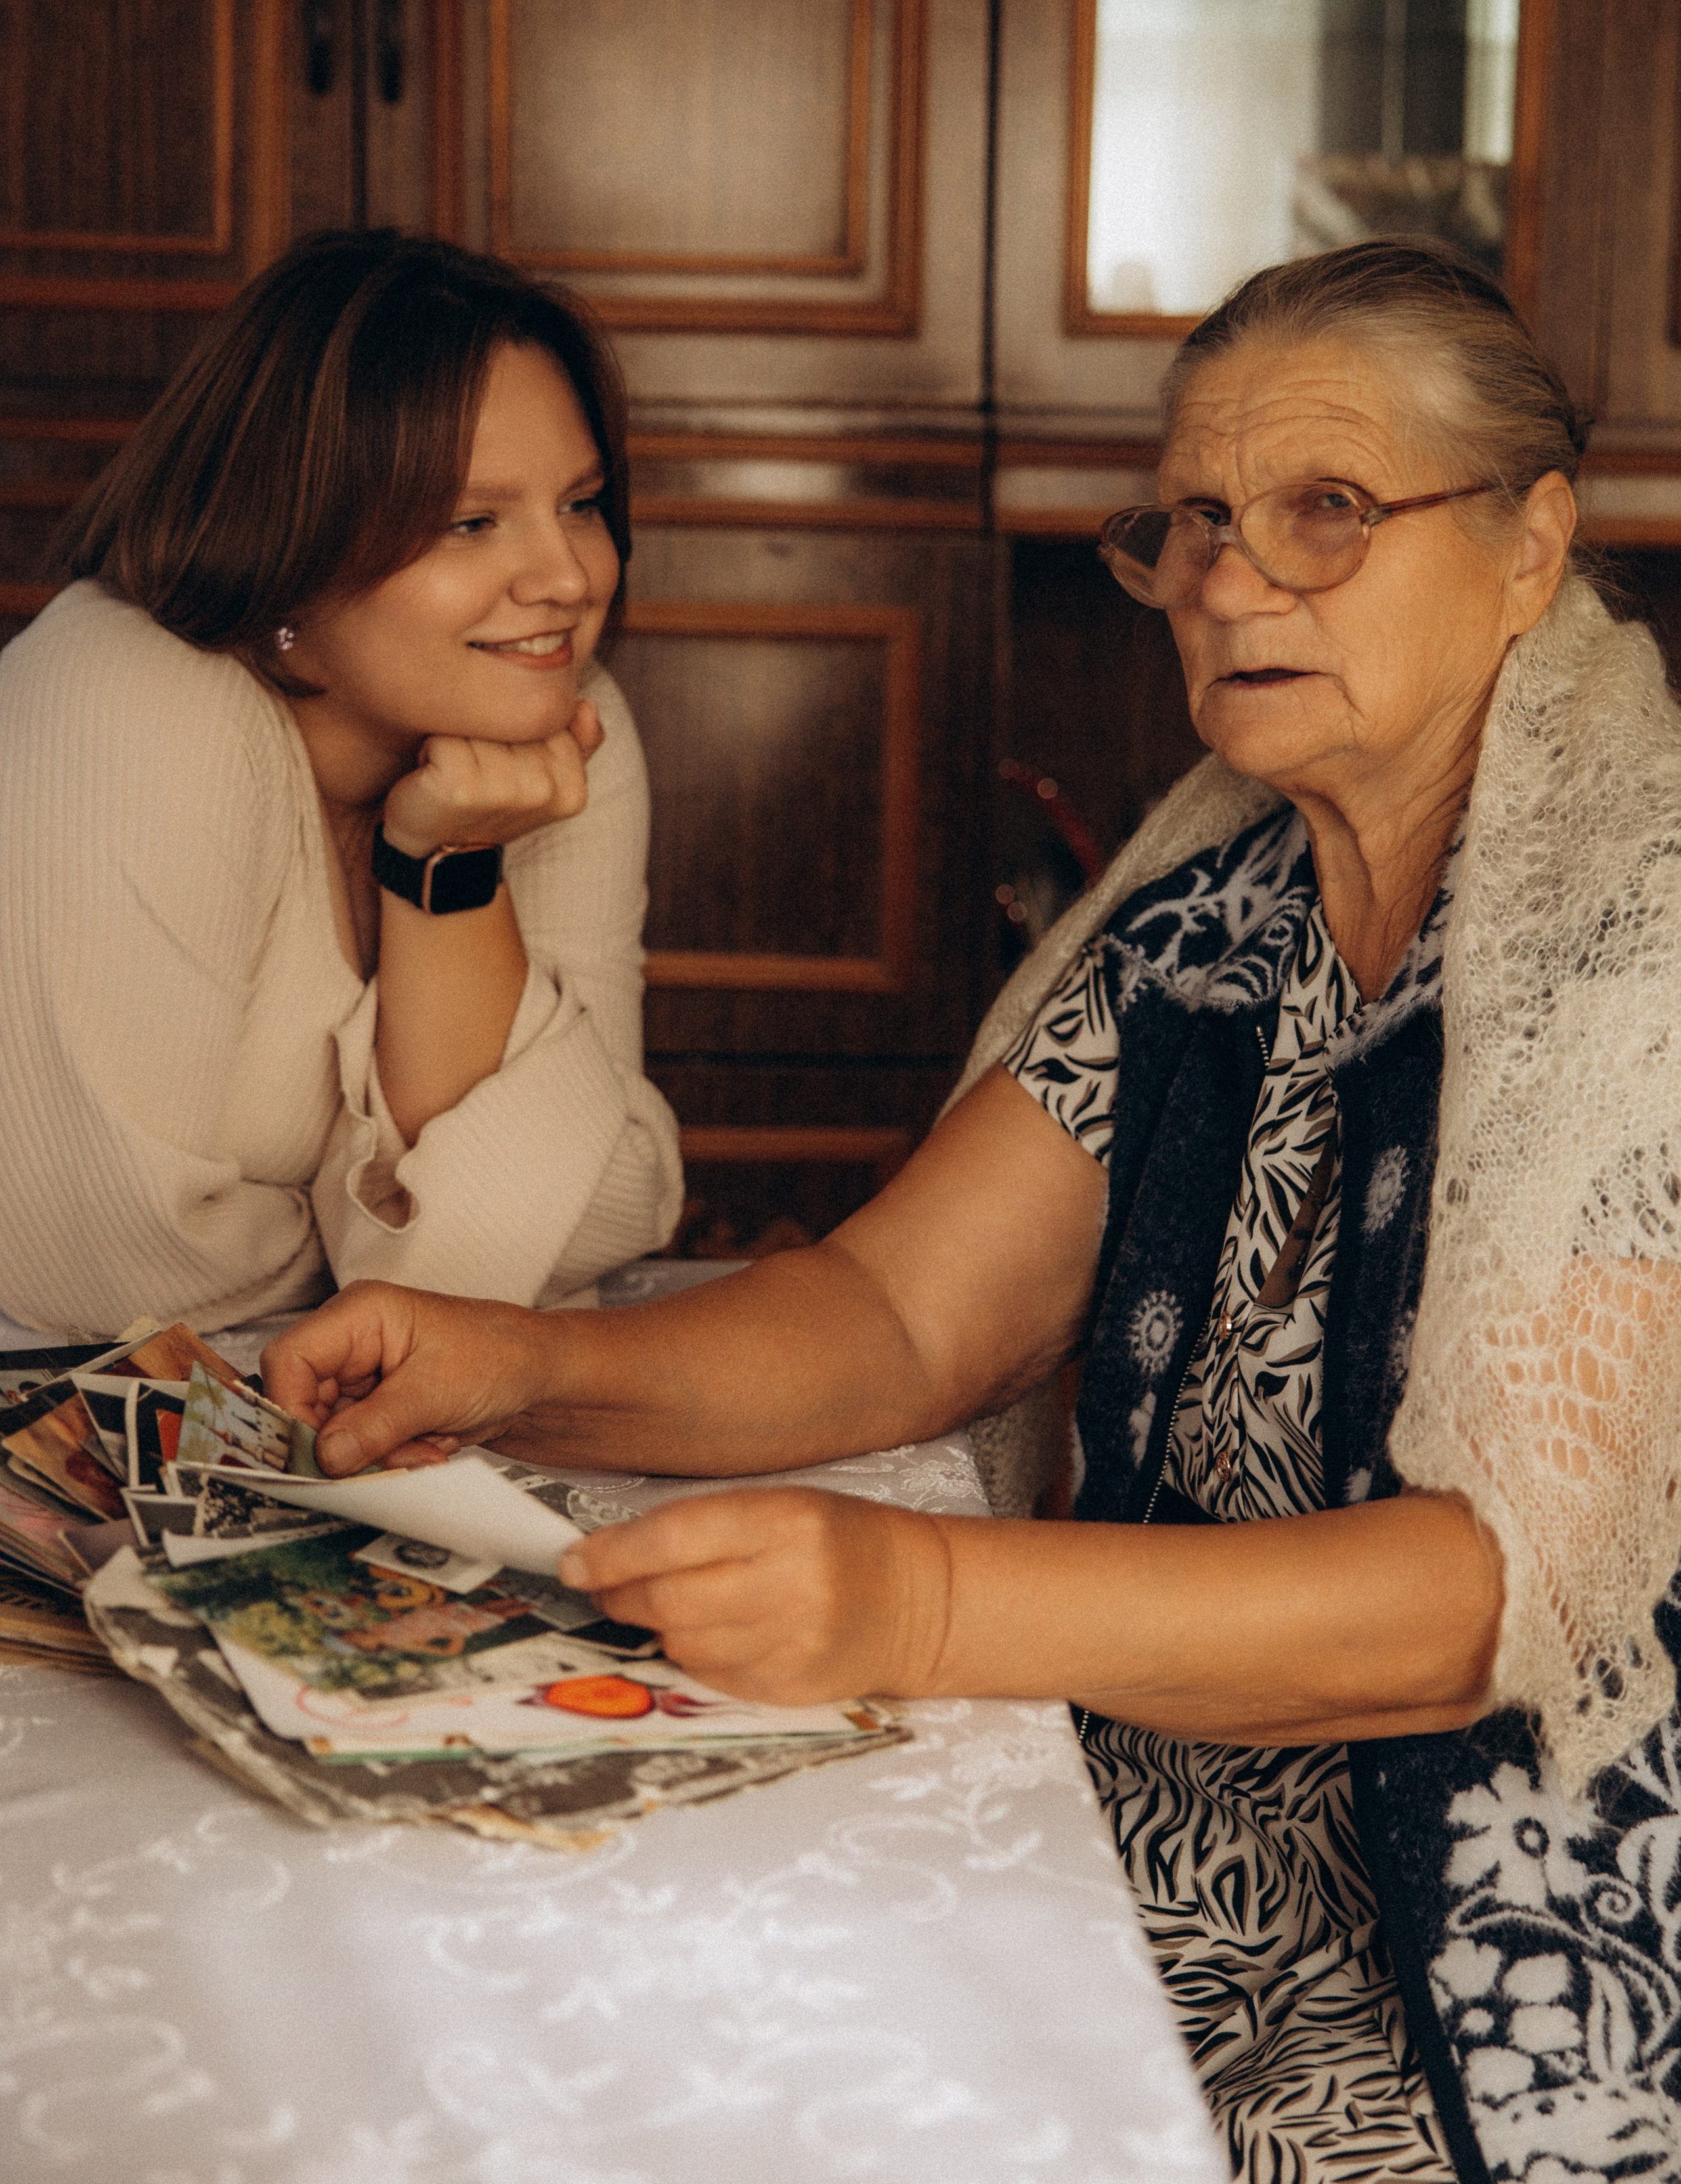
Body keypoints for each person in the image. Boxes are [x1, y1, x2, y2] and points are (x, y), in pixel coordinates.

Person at [264, 240, 1681, 2183]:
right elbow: (904, 1315)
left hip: (1485, 1939)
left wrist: (914, 1601)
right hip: (1160, 1799)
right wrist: (513, 1373)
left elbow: (1478, 1610)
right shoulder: (1217, 926)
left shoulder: (1643, 960)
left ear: (1533, 542)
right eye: (1192, 520)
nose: (1230, 581)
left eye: (1324, 512)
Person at [0, 230, 682, 1336]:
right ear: (291, 543)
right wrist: (378, 1244)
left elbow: (597, 1226)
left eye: (583, 503)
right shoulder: (129, 695)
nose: (568, 578)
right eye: (472, 523)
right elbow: (80, 1272)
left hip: (261, 1422)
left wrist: (441, 872)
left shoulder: (556, 733)